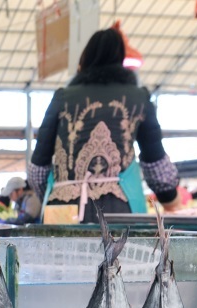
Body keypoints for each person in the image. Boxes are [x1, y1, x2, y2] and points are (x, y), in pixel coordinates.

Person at [29, 26, 180, 223]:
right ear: (121, 60)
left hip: (62, 212)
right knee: (116, 254)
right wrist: (171, 200)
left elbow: (37, 169)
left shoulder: (62, 98)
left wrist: (56, 191)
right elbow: (155, 166)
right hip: (118, 212)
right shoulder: (139, 98)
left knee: (59, 255)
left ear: (84, 59)